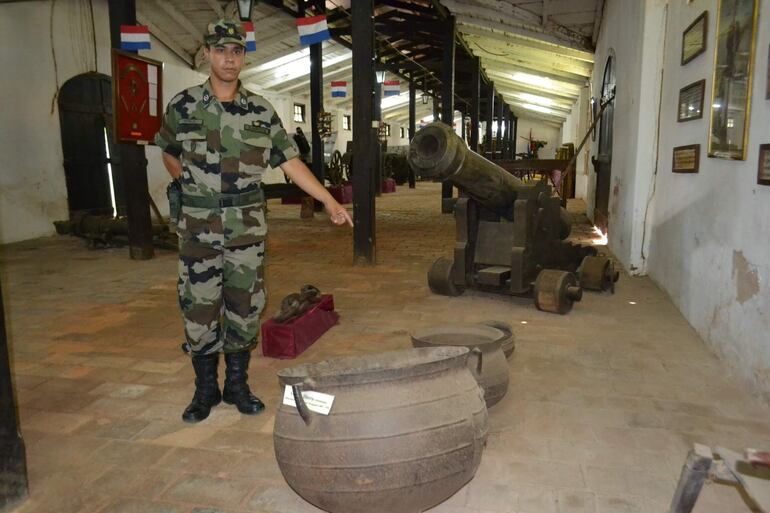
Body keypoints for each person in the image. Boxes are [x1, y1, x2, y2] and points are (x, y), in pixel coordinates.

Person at [155, 18, 353, 423]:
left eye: (237, 51)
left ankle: (238, 385)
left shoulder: (261, 111)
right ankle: (205, 389)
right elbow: (169, 151)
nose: (229, 59)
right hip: (198, 228)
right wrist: (189, 186)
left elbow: (291, 163)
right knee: (200, 307)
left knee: (245, 306)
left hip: (246, 228)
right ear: (207, 53)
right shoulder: (183, 105)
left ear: (244, 56)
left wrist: (329, 201)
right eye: (221, 50)